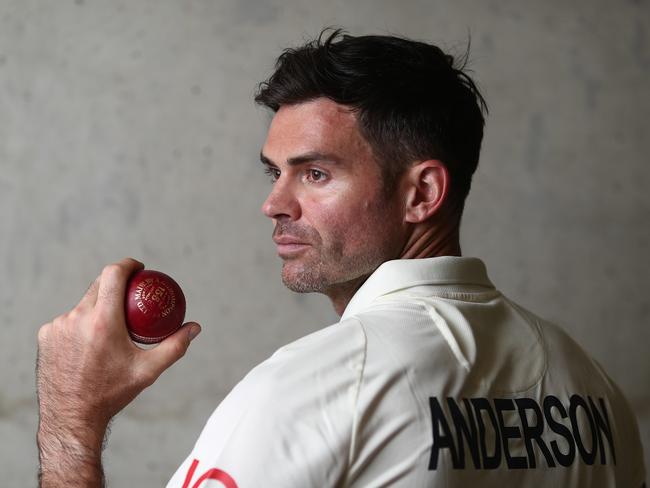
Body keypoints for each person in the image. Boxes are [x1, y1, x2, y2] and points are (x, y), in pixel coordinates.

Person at [36, 30, 645, 488]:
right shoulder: (592, 389)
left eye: (316, 173)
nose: (274, 204)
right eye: (276, 173)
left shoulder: (312, 387)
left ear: (422, 194)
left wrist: (73, 420)